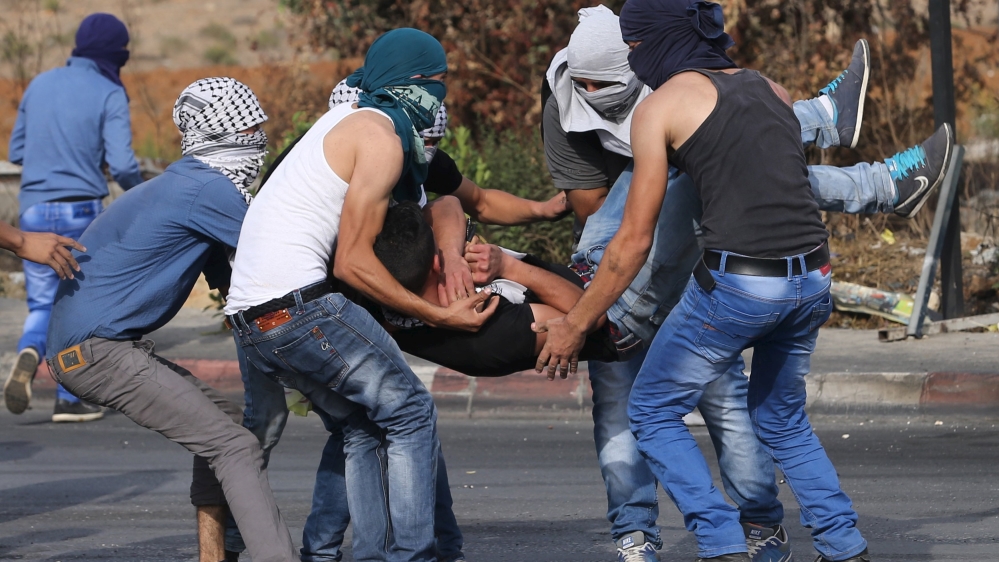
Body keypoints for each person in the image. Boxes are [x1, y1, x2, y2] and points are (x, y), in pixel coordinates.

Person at [537, 1, 954, 560]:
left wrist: (576, 322)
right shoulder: (766, 87)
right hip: (812, 280)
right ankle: (843, 544)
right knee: (780, 419)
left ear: (660, 40)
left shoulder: (658, 108)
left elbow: (632, 242)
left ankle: (721, 541)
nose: (635, 62)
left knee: (652, 411)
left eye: (636, 47)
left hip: (741, 288)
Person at [223, 28, 497, 562]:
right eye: (439, 83)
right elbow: (353, 259)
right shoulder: (380, 137)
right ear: (414, 83)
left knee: (364, 427)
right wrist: (439, 315)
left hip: (253, 323)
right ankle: (413, 556)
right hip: (301, 308)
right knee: (412, 412)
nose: (443, 96)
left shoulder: (344, 123)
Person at [42, 77, 298, 562]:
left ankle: (212, 554)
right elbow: (281, 260)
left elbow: (232, 279)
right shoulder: (208, 189)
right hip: (97, 352)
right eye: (249, 129)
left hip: (94, 348)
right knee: (236, 447)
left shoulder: (185, 183)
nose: (258, 141)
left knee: (222, 427)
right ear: (224, 133)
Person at [4, 13, 144, 422]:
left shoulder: (40, 83)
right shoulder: (109, 91)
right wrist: (141, 189)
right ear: (117, 54)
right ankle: (69, 398)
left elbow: (16, 151)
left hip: (32, 209)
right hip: (82, 208)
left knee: (42, 300)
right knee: (74, 305)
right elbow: (121, 164)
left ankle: (29, 348)